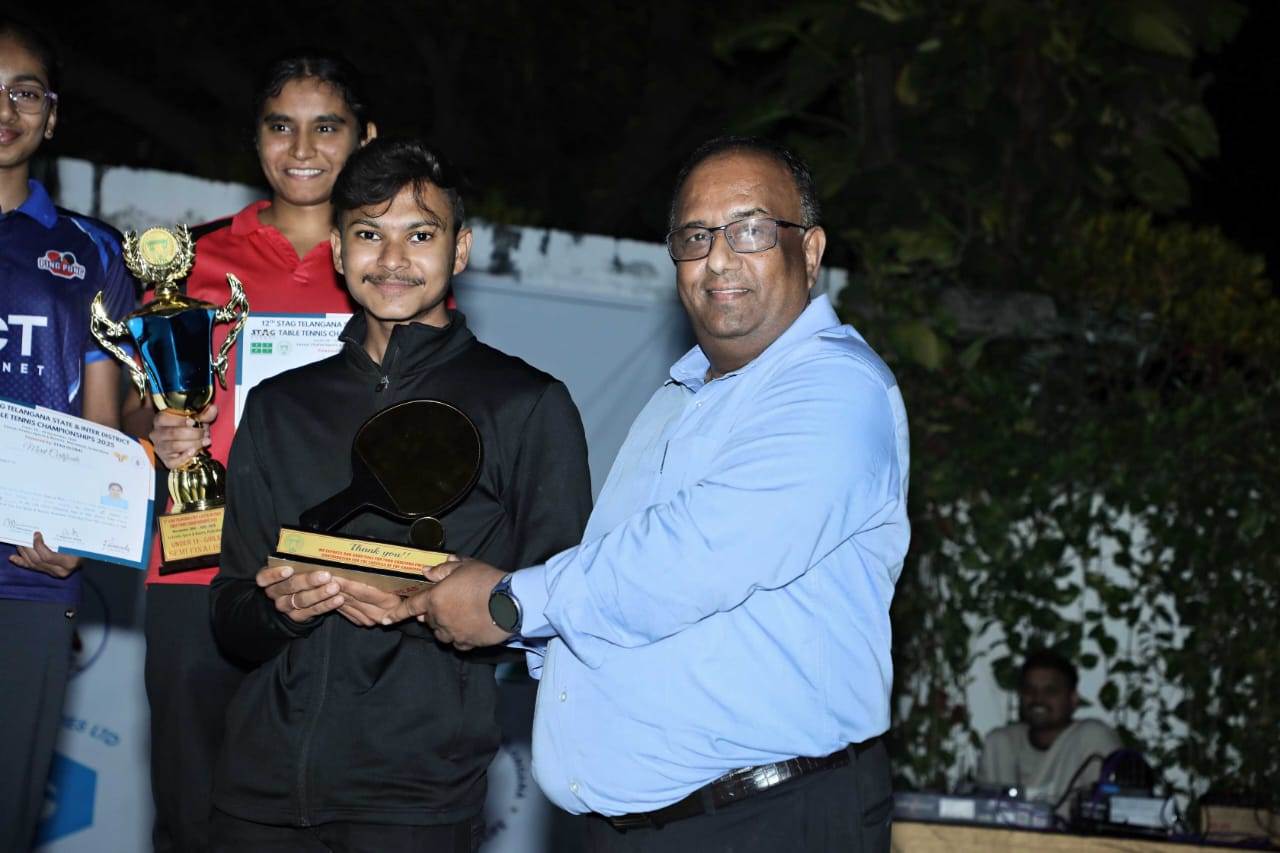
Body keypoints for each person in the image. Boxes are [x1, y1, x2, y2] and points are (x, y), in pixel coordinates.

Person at [387, 136, 911, 853]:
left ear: (810, 251)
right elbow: (636, 602)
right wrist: (476, 605)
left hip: (767, 820)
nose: (718, 258)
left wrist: (509, 602)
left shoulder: (834, 386)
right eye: (696, 237)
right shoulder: (681, 395)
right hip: (655, 828)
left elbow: (689, 560)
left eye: (750, 231)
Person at [207, 137, 592, 851]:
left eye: (419, 234)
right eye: (367, 234)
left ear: (460, 249)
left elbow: (562, 608)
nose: (391, 259)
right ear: (336, 251)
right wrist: (281, 609)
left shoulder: (528, 405)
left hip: (415, 801)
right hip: (257, 794)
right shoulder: (279, 404)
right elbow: (231, 613)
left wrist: (436, 608)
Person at [128, 53, 376, 853]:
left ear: (365, 137)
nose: (302, 148)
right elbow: (135, 401)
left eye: (326, 126)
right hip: (197, 561)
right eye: (280, 126)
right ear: (256, 138)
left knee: (323, 809)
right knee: (193, 808)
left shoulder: (386, 266)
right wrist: (159, 423)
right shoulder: (190, 259)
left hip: (334, 569)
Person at [0, 17, 133, 850]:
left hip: (28, 573)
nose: (3, 110)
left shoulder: (91, 251)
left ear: (50, 116)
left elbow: (104, 425)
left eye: (24, 92)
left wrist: (82, 534)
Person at [976, 649, 1122, 809]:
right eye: (1029, 690)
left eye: (1050, 691)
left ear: (1073, 699)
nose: (1038, 699)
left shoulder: (1091, 738)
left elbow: (1111, 809)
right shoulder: (1000, 744)